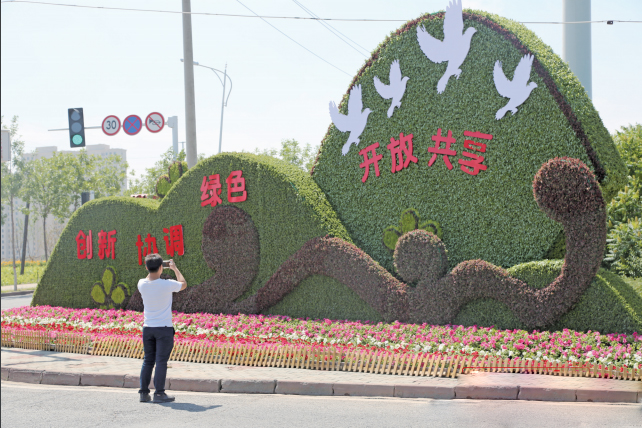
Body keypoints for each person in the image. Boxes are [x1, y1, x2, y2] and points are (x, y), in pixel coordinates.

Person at [137, 253, 187, 403]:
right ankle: (159, 394)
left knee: (148, 361)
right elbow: (183, 284)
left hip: (148, 328)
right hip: (164, 329)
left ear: (146, 267)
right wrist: (174, 268)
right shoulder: (167, 284)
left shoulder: (141, 284)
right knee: (161, 361)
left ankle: (144, 393)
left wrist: (153, 266)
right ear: (161, 267)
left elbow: (149, 276)